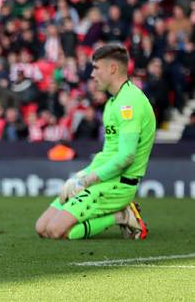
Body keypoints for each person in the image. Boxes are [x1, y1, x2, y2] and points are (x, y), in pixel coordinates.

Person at [35, 44, 156, 240]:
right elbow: (108, 153)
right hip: (102, 178)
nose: (92, 74)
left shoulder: (129, 103)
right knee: (42, 228)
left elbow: (126, 156)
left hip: (117, 184)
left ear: (112, 69)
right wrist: (79, 177)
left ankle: (122, 215)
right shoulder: (111, 103)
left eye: (96, 68)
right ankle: (116, 212)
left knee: (58, 231)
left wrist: (89, 180)